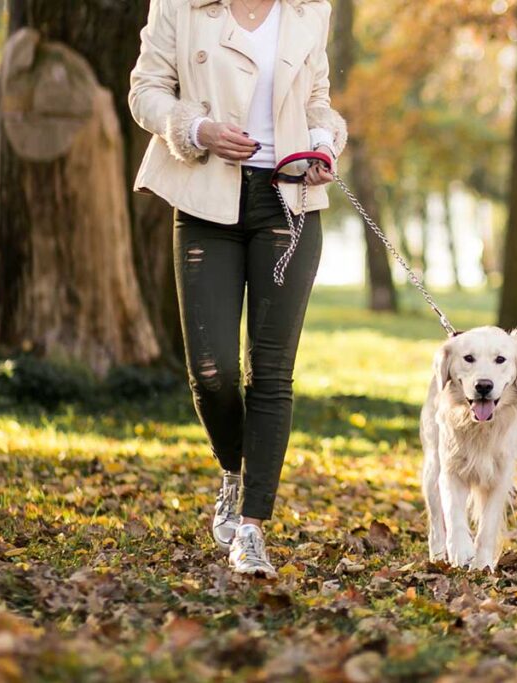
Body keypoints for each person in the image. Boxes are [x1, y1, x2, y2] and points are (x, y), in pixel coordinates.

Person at [129, 0, 347, 578]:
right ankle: (233, 470)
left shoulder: (310, 10)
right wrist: (197, 129)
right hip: (206, 199)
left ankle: (251, 528)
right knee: (211, 369)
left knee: (271, 371)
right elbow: (146, 91)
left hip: (289, 200)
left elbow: (318, 101)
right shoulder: (180, 6)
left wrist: (323, 144)